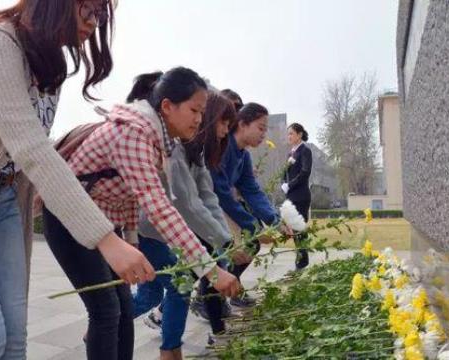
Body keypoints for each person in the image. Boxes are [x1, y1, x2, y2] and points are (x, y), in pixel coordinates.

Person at [0, 1, 157, 359]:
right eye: (90, 7)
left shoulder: (47, 66)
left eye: (101, 14)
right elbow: (34, 150)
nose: (94, 21)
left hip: (3, 201)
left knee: (16, 340)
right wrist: (106, 240)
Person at [42, 68, 240, 360]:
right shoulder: (134, 133)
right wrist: (211, 270)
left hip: (104, 226)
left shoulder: (157, 138)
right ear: (167, 106)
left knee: (122, 308)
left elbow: (131, 197)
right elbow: (161, 209)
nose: (200, 119)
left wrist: (131, 241)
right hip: (69, 220)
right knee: (106, 311)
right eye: (194, 110)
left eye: (202, 111)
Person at [133, 91, 237, 359]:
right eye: (223, 123)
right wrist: (222, 241)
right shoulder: (176, 150)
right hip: (148, 230)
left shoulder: (197, 153)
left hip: (163, 232)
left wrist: (222, 237)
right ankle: (170, 351)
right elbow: (188, 206)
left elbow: (208, 197)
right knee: (180, 285)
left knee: (149, 295)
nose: (225, 131)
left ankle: (106, 318)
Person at [209, 102, 280, 308]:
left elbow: (252, 190)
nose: (263, 135)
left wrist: (274, 220)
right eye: (260, 128)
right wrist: (255, 228)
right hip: (210, 207)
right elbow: (222, 194)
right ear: (242, 124)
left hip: (222, 205)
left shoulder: (244, 156)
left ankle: (230, 289)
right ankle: (212, 297)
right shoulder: (224, 147)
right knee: (227, 252)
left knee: (250, 244)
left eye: (265, 129)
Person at [281, 123, 312, 269]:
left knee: (299, 228)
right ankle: (301, 259)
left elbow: (305, 173)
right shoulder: (290, 153)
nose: (289, 136)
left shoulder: (305, 151)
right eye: (288, 134)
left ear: (299, 134)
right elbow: (285, 172)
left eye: (291, 133)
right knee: (293, 228)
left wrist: (290, 184)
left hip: (301, 195)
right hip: (291, 195)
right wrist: (283, 183)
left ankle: (302, 261)